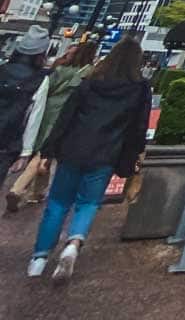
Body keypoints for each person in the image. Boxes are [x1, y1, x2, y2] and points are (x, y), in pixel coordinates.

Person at [27, 36, 150, 281]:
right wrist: (134, 154)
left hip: (73, 148)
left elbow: (66, 117)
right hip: (106, 152)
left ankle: (39, 258)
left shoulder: (90, 82)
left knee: (58, 203)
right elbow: (138, 127)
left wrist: (48, 151)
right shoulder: (139, 89)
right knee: (89, 203)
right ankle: (74, 242)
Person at [6, 41, 97, 212]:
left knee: (44, 149)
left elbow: (46, 88)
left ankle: (37, 192)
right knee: (44, 152)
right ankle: (18, 189)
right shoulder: (88, 73)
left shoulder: (60, 69)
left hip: (47, 108)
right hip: (65, 113)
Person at [1, 27, 50, 183]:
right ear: (42, 54)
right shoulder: (40, 79)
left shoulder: (2, 69)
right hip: (8, 141)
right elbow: (34, 115)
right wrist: (26, 151)